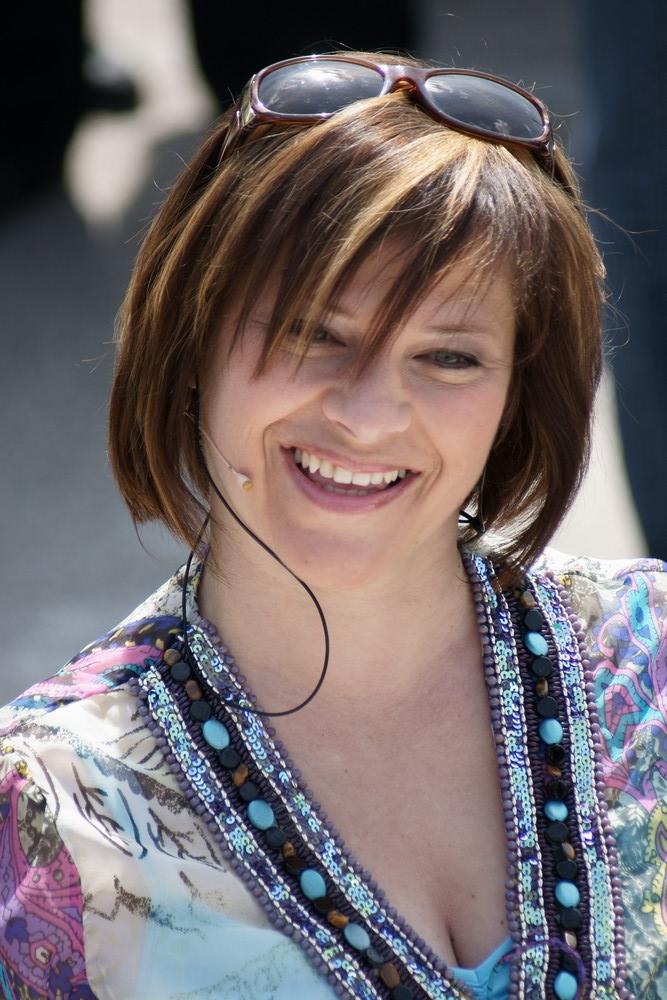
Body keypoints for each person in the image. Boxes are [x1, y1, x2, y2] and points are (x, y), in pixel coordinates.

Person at [0, 51, 664, 1000]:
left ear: (519, 393)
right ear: (190, 341)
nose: (367, 415)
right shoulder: (53, 811)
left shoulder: (646, 659)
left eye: (449, 356)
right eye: (312, 332)